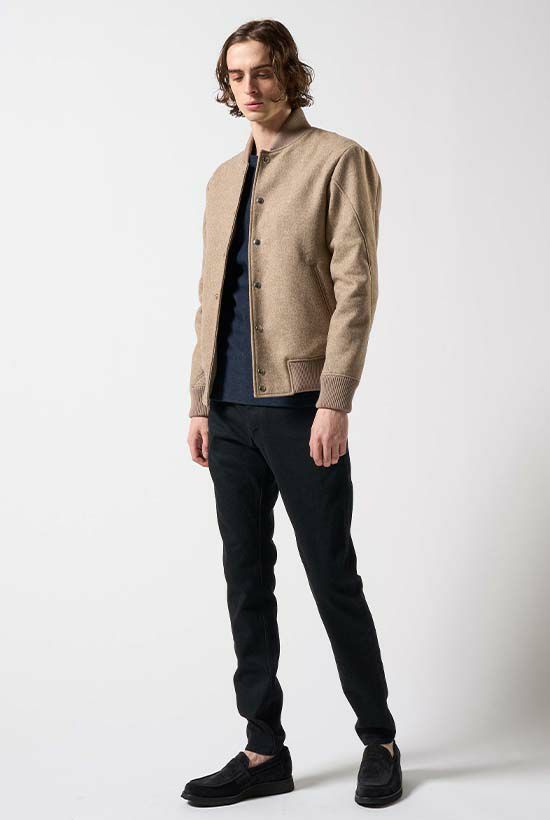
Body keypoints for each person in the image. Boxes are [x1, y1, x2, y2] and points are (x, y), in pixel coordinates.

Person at [182, 18, 402, 809]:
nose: (250, 86)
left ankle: (378, 738)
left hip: (301, 408)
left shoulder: (339, 160)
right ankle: (263, 750)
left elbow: (356, 287)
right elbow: (211, 299)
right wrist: (200, 401)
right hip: (229, 414)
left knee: (331, 575)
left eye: (264, 71)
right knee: (245, 580)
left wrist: (334, 399)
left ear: (290, 75)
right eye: (236, 74)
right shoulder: (220, 180)